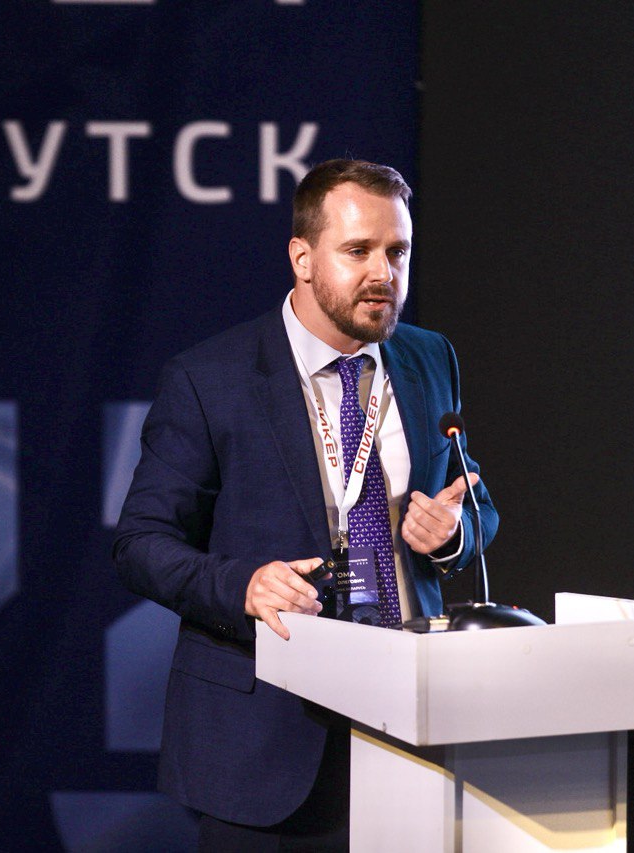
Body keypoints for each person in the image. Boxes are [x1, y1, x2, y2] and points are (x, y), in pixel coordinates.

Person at [113, 159, 497, 851]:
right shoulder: (211, 378)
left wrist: (452, 535)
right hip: (268, 743)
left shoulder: (429, 358)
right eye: (358, 251)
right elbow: (141, 542)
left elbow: (473, 503)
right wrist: (244, 585)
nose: (383, 273)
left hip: (413, 727)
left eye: (397, 252)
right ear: (302, 258)